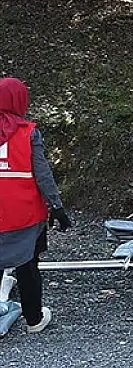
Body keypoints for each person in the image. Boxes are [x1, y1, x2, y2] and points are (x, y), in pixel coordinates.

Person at [0, 77, 72, 334]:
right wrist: (57, 207)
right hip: (24, 213)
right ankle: (33, 320)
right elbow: (42, 174)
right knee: (27, 265)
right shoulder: (28, 132)